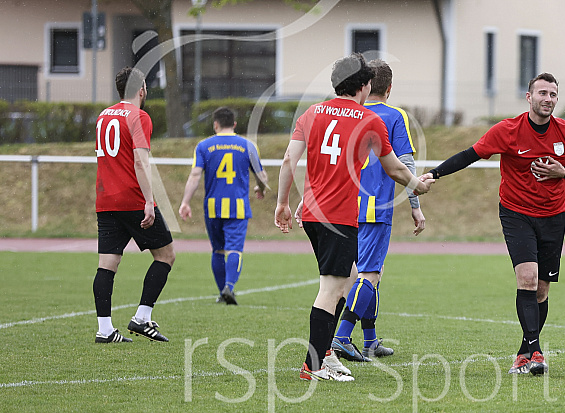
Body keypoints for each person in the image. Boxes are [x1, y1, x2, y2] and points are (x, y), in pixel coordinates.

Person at [422, 72, 565, 375]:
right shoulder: (508, 130)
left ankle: (523, 353)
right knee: (527, 278)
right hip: (516, 214)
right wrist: (434, 173)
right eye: (542, 93)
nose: (548, 99)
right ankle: (537, 352)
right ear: (529, 98)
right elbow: (469, 155)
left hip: (554, 216)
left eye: (553, 94)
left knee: (541, 290)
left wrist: (563, 172)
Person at [274, 53, 434, 382]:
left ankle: (328, 355)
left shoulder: (312, 113)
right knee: (332, 289)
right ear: (364, 86)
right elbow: (394, 167)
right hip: (339, 216)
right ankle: (313, 364)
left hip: (313, 214)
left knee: (348, 279)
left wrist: (283, 204)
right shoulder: (368, 121)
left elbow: (289, 161)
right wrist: (417, 185)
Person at [332, 59, 425, 362]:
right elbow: (406, 163)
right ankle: (342, 336)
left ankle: (370, 340)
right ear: (389, 87)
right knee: (369, 275)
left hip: (342, 206)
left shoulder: (347, 114)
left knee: (370, 273)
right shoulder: (394, 115)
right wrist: (416, 205)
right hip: (374, 207)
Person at [93, 67, 175, 343]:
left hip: (106, 199)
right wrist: (149, 201)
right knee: (165, 256)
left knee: (107, 265)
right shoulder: (139, 116)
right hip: (132, 198)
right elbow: (140, 160)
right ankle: (141, 317)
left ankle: (104, 330)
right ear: (141, 90)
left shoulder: (103, 116)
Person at [178, 107, 269, 304]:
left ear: (215, 124)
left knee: (218, 250)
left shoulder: (203, 146)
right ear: (234, 124)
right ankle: (230, 286)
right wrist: (260, 188)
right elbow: (261, 176)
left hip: (213, 207)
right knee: (234, 249)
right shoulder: (247, 145)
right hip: (237, 206)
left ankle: (222, 293)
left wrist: (185, 202)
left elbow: (195, 175)